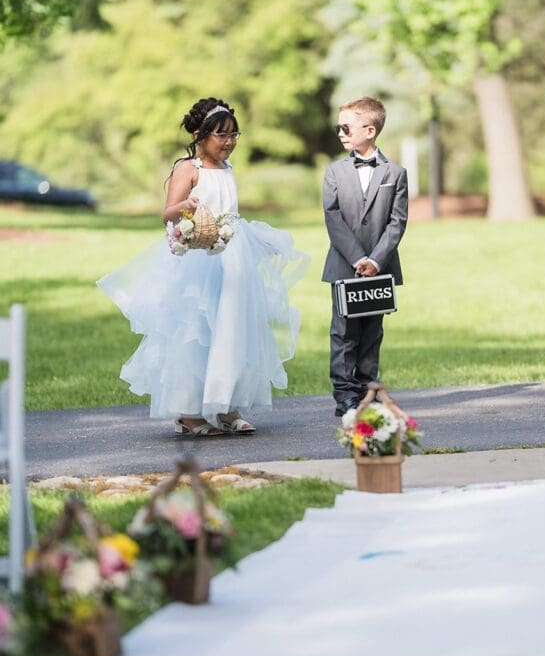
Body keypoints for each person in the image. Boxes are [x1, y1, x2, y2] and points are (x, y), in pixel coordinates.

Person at [98, 97, 309, 437]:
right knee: (198, 331)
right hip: (200, 259)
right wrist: (187, 206)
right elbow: (168, 212)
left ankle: (226, 405)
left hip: (234, 253)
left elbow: (231, 211)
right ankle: (190, 411)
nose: (229, 142)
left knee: (234, 326)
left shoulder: (227, 170)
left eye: (234, 134)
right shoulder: (188, 168)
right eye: (221, 135)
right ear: (200, 135)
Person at [322, 96, 408, 417]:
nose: (341, 133)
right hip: (345, 266)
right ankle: (344, 394)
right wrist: (359, 258)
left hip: (381, 267)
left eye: (346, 127)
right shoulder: (334, 172)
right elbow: (333, 218)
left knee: (372, 331)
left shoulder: (395, 173)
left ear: (369, 130)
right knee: (344, 331)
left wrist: (376, 259)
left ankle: (368, 389)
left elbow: (397, 221)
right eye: (339, 127)